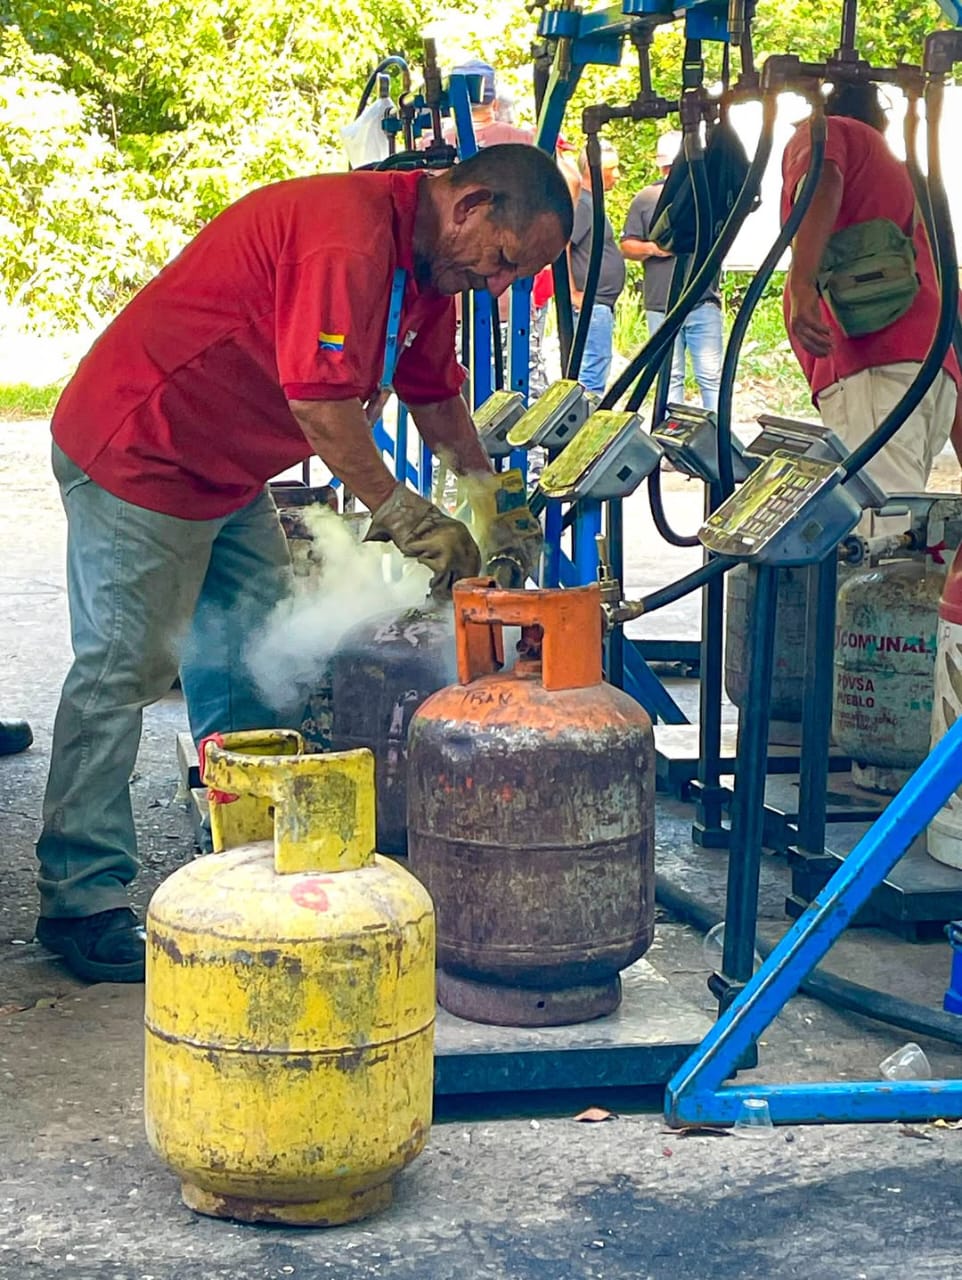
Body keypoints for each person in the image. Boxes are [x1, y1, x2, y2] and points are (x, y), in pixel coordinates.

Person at [34, 143, 572, 983]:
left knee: (255, 653)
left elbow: (433, 393)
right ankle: (80, 897)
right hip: (140, 450)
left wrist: (491, 498)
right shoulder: (346, 238)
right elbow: (320, 406)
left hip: (224, 468)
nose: (497, 284)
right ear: (469, 206)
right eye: (503, 261)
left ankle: (243, 851)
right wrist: (401, 512)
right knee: (121, 670)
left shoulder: (428, 271)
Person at [781, 82, 959, 498]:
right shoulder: (898, 178)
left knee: (876, 521)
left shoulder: (827, 131)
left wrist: (802, 285)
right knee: (897, 509)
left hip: (876, 367)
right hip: (924, 373)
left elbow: (822, 178)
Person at [620, 131, 723, 413]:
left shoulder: (705, 196)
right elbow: (627, 246)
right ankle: (680, 432)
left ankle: (709, 433)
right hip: (665, 304)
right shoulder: (646, 199)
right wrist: (654, 248)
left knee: (695, 377)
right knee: (682, 377)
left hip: (700, 301)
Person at [568, 140, 626, 395]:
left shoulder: (592, 203)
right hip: (592, 304)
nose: (617, 175)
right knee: (592, 373)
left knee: (594, 366)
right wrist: (572, 293)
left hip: (599, 303)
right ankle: (586, 415)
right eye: (611, 169)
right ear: (593, 171)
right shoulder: (583, 204)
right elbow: (563, 247)